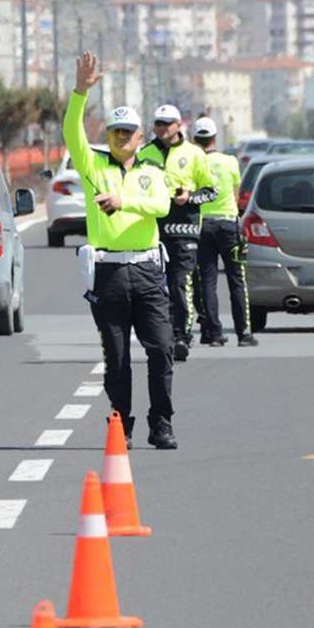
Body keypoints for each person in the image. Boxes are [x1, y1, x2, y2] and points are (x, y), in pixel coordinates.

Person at [64, 51, 179, 450]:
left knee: (162, 348)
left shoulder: (152, 173)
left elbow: (162, 207)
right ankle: (121, 424)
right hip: (109, 273)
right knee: (116, 357)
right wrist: (80, 92)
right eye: (114, 131)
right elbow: (71, 133)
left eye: (128, 132)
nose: (121, 137)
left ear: (140, 137)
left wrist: (124, 202)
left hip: (147, 272)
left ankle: (161, 422)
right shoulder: (94, 168)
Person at [138, 104, 217, 362]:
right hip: (152, 231)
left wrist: (190, 197)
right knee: (156, 289)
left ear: (178, 125)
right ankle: (163, 336)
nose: (162, 128)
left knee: (180, 284)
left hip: (185, 231)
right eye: (158, 123)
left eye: (167, 123)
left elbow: (212, 190)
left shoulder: (194, 154)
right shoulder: (145, 153)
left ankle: (182, 335)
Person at [194, 117, 257, 347]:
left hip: (202, 226)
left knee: (207, 281)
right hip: (228, 224)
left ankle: (214, 333)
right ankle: (244, 333)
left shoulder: (193, 163)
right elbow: (236, 191)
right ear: (214, 138)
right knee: (236, 279)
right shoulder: (229, 162)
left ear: (195, 139)